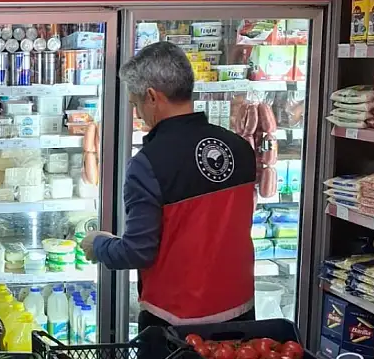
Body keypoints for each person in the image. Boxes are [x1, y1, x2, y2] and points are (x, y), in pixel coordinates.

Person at [81, 42, 256, 331]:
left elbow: (137, 252)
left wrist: (98, 244)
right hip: (240, 313)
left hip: (175, 323)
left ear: (152, 97)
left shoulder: (148, 163)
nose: (138, 114)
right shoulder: (238, 147)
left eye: (136, 104)